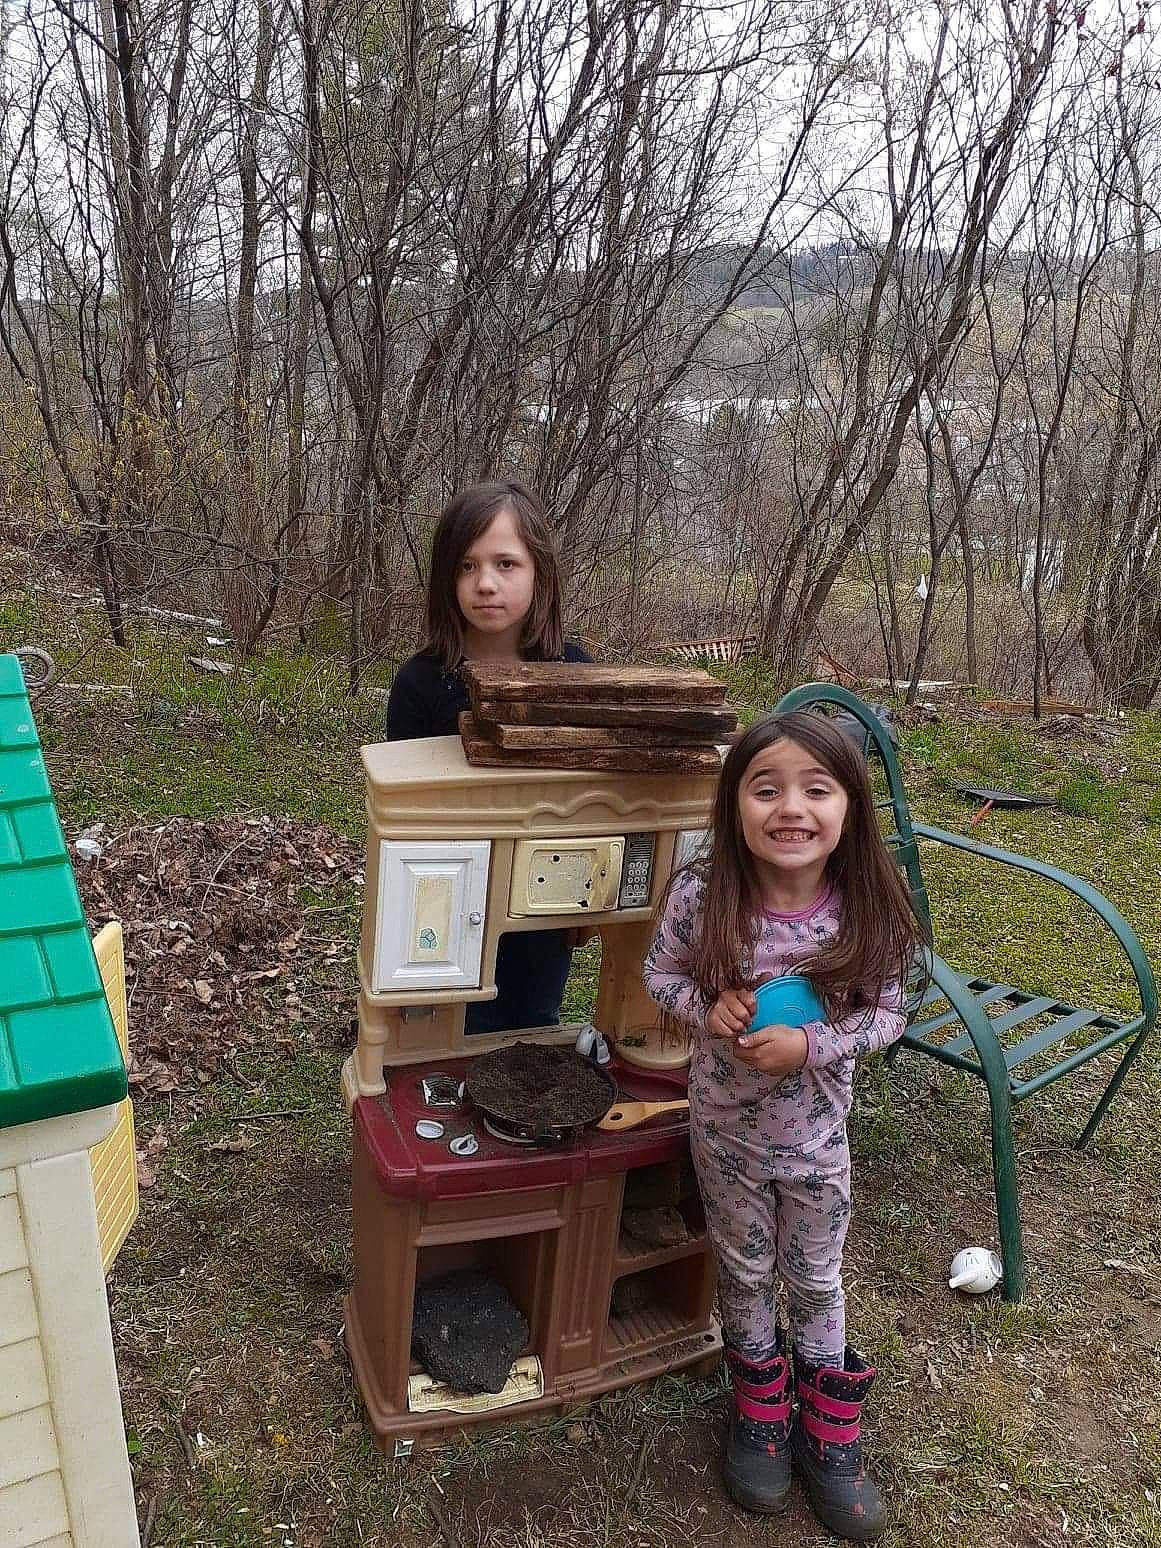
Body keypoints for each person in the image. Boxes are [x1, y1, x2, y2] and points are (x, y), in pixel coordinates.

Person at [643, 710, 923, 1541]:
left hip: (815, 1143)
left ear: (849, 809)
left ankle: (830, 1432)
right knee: (741, 1264)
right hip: (723, 1137)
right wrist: (707, 1007)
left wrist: (812, 1045)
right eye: (765, 788)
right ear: (735, 805)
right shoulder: (703, 892)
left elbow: (888, 1014)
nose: (789, 808)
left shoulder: (866, 904)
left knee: (814, 1278)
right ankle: (760, 1414)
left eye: (815, 788)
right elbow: (658, 974)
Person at [385, 478, 592, 1033]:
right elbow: (403, 813)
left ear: (539, 572)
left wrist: (585, 898)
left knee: (530, 1024)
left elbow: (585, 798)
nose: (485, 584)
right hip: (443, 899)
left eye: (506, 564)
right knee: (439, 1030)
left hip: (539, 899)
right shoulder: (419, 684)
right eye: (466, 566)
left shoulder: (573, 673)